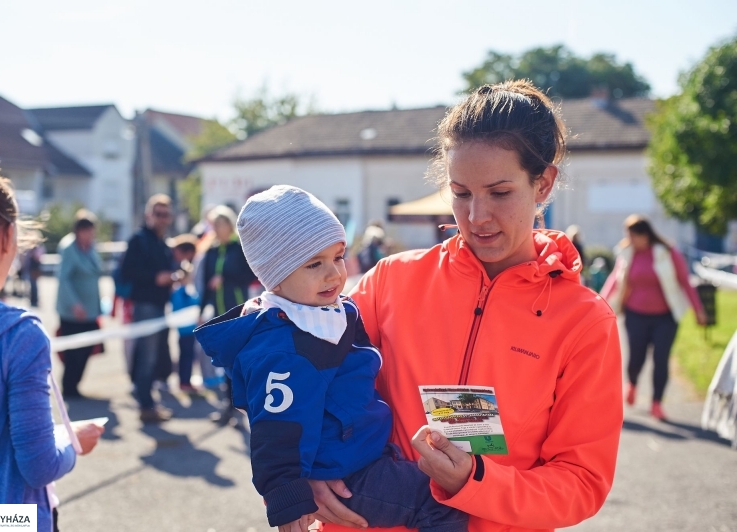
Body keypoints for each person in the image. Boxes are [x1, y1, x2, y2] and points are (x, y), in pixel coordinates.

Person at [309, 80, 623, 532]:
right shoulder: (390, 280)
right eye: (460, 193)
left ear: (544, 184)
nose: (476, 216)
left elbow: (581, 482)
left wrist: (476, 480)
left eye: (499, 193)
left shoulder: (584, 321)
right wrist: (309, 470)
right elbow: (309, 379)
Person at [196, 185, 468, 532]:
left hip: (363, 453)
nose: (334, 274)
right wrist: (288, 502)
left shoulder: (329, 310)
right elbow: (275, 431)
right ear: (274, 277)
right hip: (346, 472)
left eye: (338, 257)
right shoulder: (281, 346)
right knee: (437, 500)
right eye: (314, 264)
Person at [0, 153, 104, 532]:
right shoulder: (19, 335)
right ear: (8, 237)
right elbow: (40, 464)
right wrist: (73, 444)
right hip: (6, 521)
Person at [600, 214, 706, 421]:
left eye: (633, 236)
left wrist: (698, 309)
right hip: (635, 314)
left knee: (661, 359)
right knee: (636, 357)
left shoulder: (667, 252)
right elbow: (615, 279)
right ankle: (632, 383)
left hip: (665, 317)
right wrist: (601, 301)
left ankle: (656, 403)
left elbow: (684, 280)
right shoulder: (628, 253)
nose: (630, 240)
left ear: (645, 234)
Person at [120, 194, 178, 423]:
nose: (162, 219)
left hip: (159, 305)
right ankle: (146, 405)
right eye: (158, 214)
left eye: (166, 214)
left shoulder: (163, 242)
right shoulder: (139, 240)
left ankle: (146, 400)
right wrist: (156, 278)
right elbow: (127, 271)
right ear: (149, 215)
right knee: (147, 356)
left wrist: (173, 277)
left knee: (150, 356)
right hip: (145, 305)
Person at [198, 205, 256, 424]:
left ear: (229, 225)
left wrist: (226, 278)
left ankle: (246, 405)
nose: (217, 228)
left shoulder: (238, 248)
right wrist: (202, 309)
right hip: (220, 314)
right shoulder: (211, 251)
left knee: (241, 358)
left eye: (221, 224)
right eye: (214, 224)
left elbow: (249, 275)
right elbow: (206, 283)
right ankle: (228, 406)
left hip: (238, 311)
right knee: (225, 360)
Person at [56, 209, 103, 399]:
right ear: (78, 231)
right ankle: (69, 386)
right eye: (87, 231)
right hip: (73, 311)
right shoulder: (69, 249)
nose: (90, 235)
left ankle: (75, 384)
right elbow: (63, 279)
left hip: (90, 309)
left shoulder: (92, 248)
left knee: (86, 349)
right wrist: (75, 304)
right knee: (73, 350)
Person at [169, 234, 200, 393]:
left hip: (189, 329)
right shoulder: (180, 292)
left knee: (188, 356)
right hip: (184, 330)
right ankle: (184, 382)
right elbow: (183, 308)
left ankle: (186, 380)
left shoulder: (184, 291)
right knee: (185, 357)